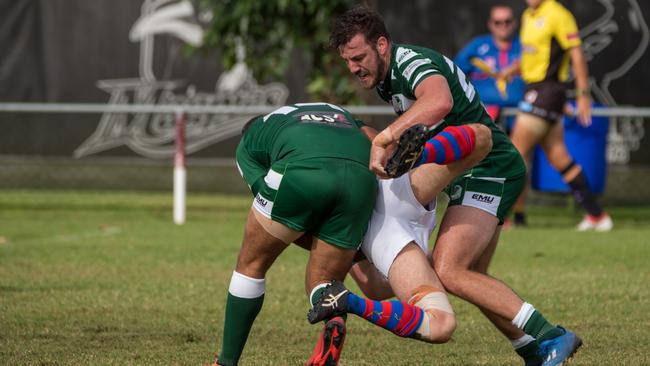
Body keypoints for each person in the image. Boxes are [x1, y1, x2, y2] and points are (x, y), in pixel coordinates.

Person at [330, 6, 582, 366]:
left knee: (450, 269)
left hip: (489, 167)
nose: (354, 68)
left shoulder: (409, 62)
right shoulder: (388, 78)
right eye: (348, 61)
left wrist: (385, 136)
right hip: (473, 169)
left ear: (382, 44)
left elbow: (440, 101)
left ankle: (552, 336)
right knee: (470, 276)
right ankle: (532, 349)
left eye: (359, 57)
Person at [214, 102, 470, 366]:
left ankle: (226, 362)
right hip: (360, 179)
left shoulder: (248, 141)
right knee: (326, 282)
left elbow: (268, 203)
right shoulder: (327, 109)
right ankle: (335, 316)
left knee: (251, 265)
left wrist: (308, 235)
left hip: (301, 171)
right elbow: (370, 135)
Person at [510, 0, 613, 231]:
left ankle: (510, 218)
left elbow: (576, 53)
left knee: (514, 155)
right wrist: (511, 71)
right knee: (559, 158)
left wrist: (583, 94)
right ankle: (597, 216)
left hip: (547, 91)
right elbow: (532, 58)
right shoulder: (528, 15)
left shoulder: (558, 14)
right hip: (535, 90)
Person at [455, 4, 525, 124]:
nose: (503, 26)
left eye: (507, 21)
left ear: (515, 23)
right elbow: (454, 74)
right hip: (483, 116)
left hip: (520, 115)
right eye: (498, 22)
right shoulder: (477, 46)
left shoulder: (524, 46)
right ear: (490, 24)